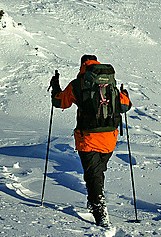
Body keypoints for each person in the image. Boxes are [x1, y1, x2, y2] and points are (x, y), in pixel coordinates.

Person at [50, 55, 132, 227]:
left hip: (87, 138)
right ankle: (95, 199)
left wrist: (55, 86)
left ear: (83, 66)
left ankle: (99, 210)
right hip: (109, 138)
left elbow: (60, 102)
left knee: (93, 174)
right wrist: (123, 94)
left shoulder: (78, 84)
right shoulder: (111, 83)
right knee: (97, 172)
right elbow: (125, 106)